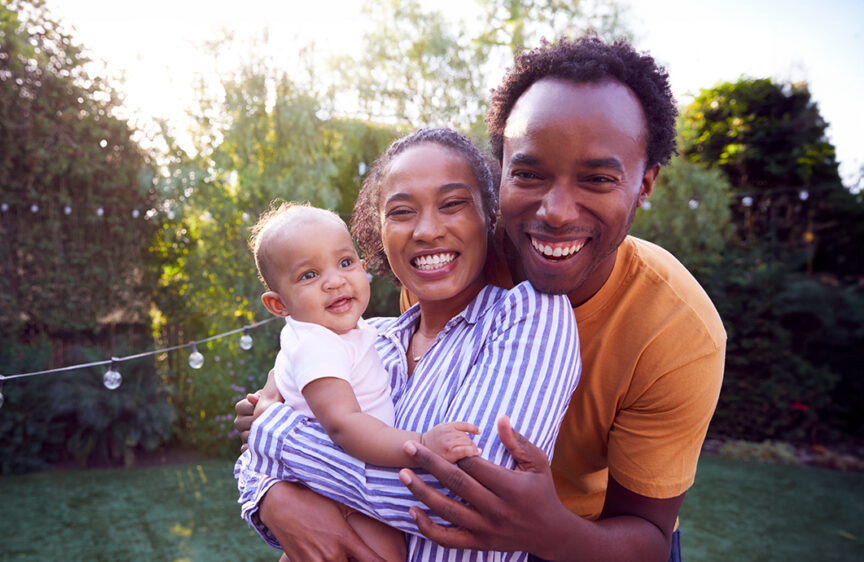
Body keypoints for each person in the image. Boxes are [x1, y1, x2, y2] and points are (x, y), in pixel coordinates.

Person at [238, 36, 726, 562]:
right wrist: (272, 495)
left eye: (598, 178)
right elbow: (355, 405)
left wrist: (274, 437)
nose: (558, 211)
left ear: (645, 183)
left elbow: (648, 539)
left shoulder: (679, 332)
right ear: (502, 175)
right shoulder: (446, 264)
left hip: (588, 537)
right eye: (530, 173)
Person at [234, 128, 582, 561]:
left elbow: (470, 503)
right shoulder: (366, 339)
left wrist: (275, 433)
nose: (427, 230)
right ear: (377, 232)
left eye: (453, 204)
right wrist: (273, 500)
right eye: (401, 212)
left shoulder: (528, 315)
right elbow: (251, 465)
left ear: (489, 215)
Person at [246, 202, 483, 561]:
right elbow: (344, 425)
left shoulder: (354, 335)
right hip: (335, 492)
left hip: (331, 488)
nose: (334, 280)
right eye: (309, 275)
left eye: (344, 262)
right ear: (278, 305)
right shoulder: (317, 345)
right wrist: (422, 444)